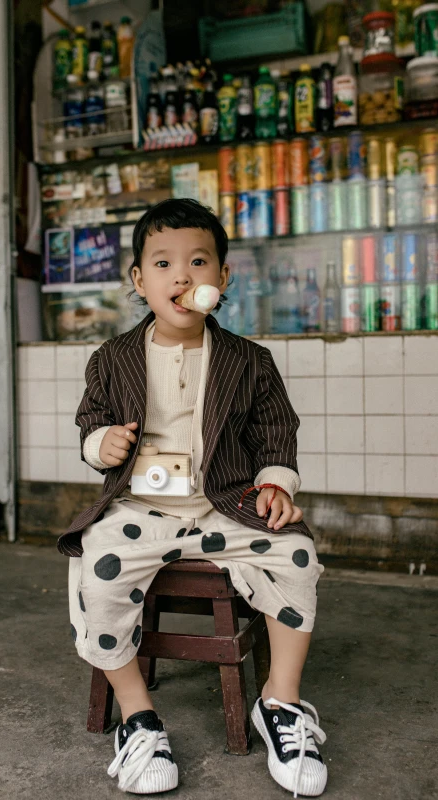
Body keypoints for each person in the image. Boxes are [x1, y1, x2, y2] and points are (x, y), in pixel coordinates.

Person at [58, 198, 327, 797]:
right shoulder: (112, 359)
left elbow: (276, 431)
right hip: (139, 510)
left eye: (199, 261)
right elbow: (90, 423)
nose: (182, 276)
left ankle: (280, 702)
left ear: (222, 278)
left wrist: (276, 485)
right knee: (96, 568)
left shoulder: (249, 361)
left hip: (224, 503)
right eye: (162, 263)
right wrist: (101, 444)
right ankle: (138, 716)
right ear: (138, 280)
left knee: (296, 555)